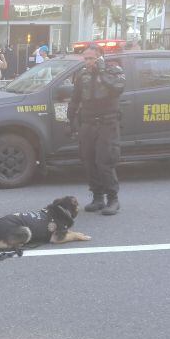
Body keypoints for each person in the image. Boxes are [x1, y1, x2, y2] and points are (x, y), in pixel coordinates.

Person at [67, 44, 126, 216]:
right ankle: (98, 197)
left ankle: (113, 199)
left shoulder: (113, 70)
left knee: (104, 161)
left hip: (107, 124)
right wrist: (70, 121)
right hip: (88, 124)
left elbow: (117, 89)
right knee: (89, 160)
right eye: (85, 58)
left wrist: (100, 72)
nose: (87, 62)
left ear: (100, 57)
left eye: (91, 58)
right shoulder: (82, 75)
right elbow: (75, 99)